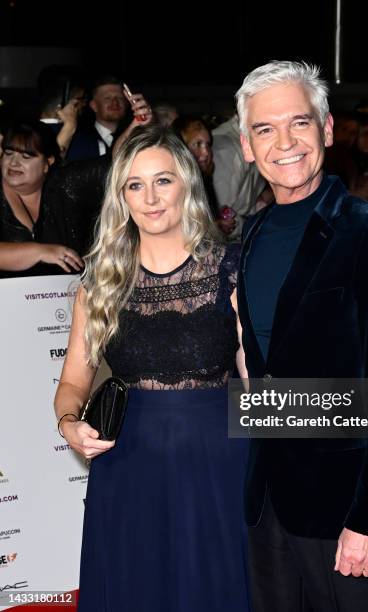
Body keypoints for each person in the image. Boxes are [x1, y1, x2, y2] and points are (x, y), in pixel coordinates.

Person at [235, 61, 368, 612]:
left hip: (343, 510)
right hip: (267, 500)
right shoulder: (253, 234)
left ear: (328, 129)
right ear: (247, 146)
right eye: (265, 130)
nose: (285, 142)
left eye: (300, 122)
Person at [54, 125, 251, 612]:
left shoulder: (230, 269)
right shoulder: (99, 282)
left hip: (219, 458)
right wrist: (69, 423)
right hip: (128, 460)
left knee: (215, 589)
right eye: (134, 185)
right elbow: (74, 381)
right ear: (120, 197)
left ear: (187, 182)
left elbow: (255, 378)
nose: (150, 197)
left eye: (162, 180)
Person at [0, 120, 85, 278]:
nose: (13, 163)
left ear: (47, 163)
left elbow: (112, 162)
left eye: (26, 156)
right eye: (8, 153)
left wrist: (137, 124)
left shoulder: (65, 185)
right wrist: (40, 251)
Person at [173, 115, 236, 236]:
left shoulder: (202, 179)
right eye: (197, 144)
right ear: (180, 147)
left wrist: (215, 225)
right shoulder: (171, 184)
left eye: (208, 145)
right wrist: (212, 227)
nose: (206, 152)